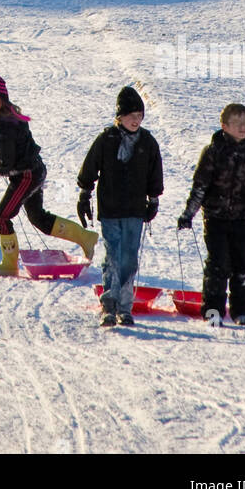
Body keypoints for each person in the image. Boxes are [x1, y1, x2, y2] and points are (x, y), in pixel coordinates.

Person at [0, 73, 97, 277]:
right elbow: (10, 152)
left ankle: (9, 264)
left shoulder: (4, 125)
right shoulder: (5, 119)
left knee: (2, 217)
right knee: (37, 217)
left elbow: (8, 160)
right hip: (34, 171)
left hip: (26, 175)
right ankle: (85, 237)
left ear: (4, 99)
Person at [76, 86, 164, 327]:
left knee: (129, 258)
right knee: (113, 256)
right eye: (130, 115)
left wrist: (153, 199)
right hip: (111, 209)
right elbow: (90, 167)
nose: (135, 120)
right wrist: (85, 193)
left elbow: (155, 173)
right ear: (119, 117)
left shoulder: (148, 142)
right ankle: (109, 305)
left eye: (139, 115)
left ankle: (125, 307)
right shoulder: (107, 139)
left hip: (135, 211)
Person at [177, 103, 245, 326]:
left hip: (241, 219)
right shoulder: (213, 152)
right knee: (218, 265)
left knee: (243, 265)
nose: (243, 127)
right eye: (237, 123)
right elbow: (200, 186)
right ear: (224, 126)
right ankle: (213, 311)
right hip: (216, 218)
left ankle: (242, 310)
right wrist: (189, 214)